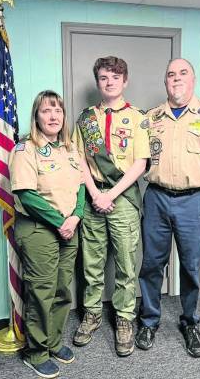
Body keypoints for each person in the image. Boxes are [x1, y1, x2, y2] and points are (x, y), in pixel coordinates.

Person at [135, 58, 200, 358]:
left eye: (183, 73)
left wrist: (199, 179)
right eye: (170, 74)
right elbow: (139, 160)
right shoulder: (151, 118)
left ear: (193, 80)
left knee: (191, 266)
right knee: (152, 264)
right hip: (157, 198)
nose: (176, 78)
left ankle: (190, 322)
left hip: (194, 201)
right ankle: (149, 320)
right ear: (165, 82)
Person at [72, 56, 150, 356]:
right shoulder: (86, 119)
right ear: (98, 82)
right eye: (104, 77)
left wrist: (111, 194)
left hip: (123, 199)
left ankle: (124, 318)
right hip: (94, 197)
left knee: (125, 264)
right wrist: (94, 193)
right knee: (91, 262)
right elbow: (78, 159)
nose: (109, 82)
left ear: (125, 81)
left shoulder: (138, 118)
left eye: (115, 77)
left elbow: (140, 164)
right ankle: (91, 313)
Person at [9, 91, 85, 379]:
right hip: (39, 229)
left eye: (58, 111)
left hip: (69, 226)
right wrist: (60, 221)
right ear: (36, 116)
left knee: (63, 288)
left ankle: (53, 341)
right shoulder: (25, 149)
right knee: (41, 291)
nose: (53, 116)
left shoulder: (68, 148)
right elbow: (26, 195)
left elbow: (80, 186)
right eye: (46, 111)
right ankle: (36, 351)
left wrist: (76, 216)